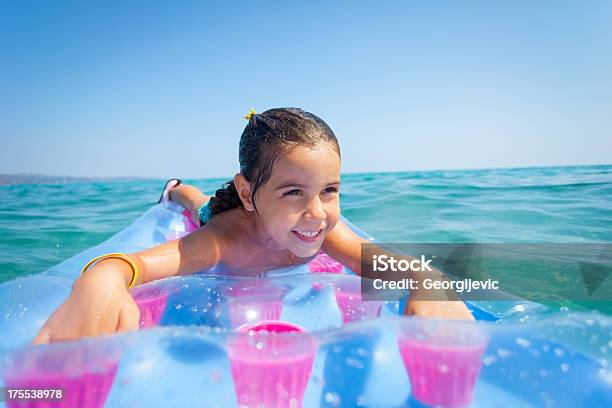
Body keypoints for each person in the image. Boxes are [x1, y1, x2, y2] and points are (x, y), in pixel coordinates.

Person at [34, 108, 472, 344]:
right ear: (248, 193)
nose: (318, 213)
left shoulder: (323, 234)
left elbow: (382, 263)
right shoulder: (224, 240)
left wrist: (427, 279)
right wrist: (103, 277)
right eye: (293, 192)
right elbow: (135, 266)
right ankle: (176, 187)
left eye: (329, 190)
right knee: (197, 201)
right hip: (218, 212)